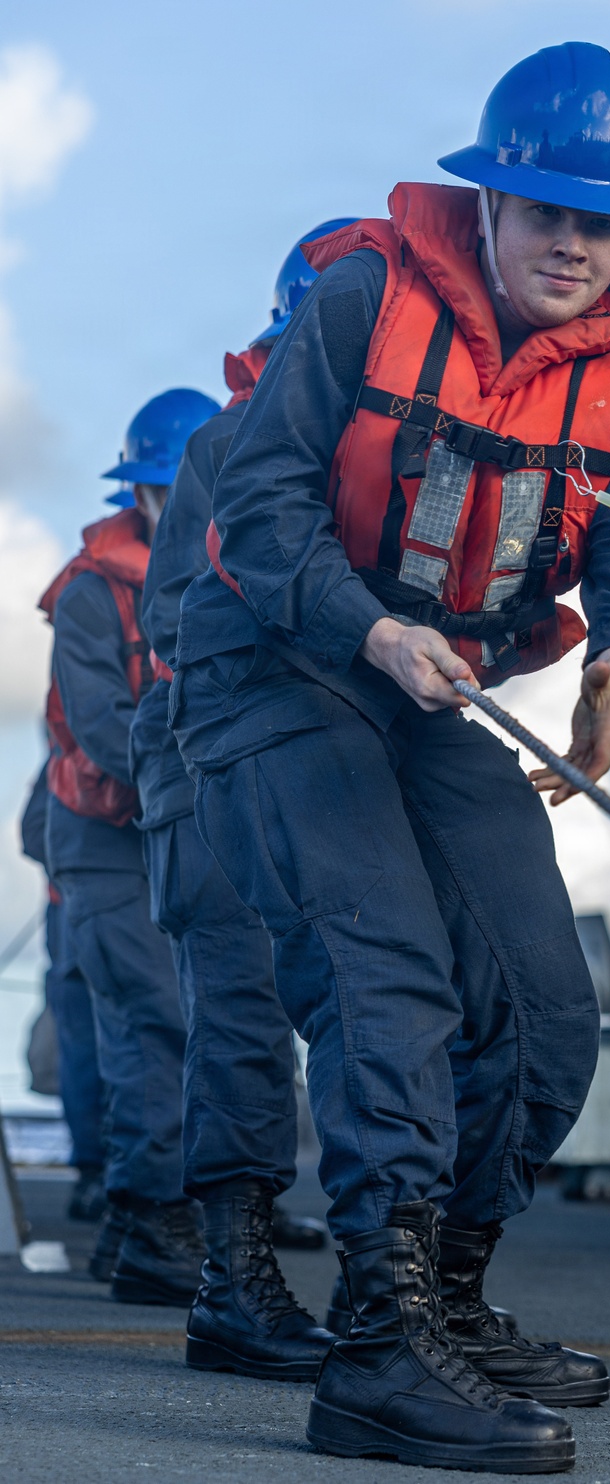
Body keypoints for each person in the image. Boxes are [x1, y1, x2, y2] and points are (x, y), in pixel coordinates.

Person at [172, 42, 610, 1473]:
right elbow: (262, 508)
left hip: (432, 688)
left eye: (605, 221)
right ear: (490, 202)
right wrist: (366, 628)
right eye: (550, 213)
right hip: (281, 670)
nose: (577, 245)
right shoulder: (358, 303)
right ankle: (376, 1354)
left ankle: (446, 1303)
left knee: (542, 1003)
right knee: (383, 973)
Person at [131, 221, 356, 1383]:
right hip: (213, 757)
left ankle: (392, 1282)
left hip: (315, 762)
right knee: (240, 1012)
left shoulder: (363, 452)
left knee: (352, 1006)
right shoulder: (231, 447)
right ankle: (232, 1282)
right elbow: (176, 625)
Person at [41, 388, 219, 1304]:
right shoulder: (88, 596)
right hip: (106, 836)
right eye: (171, 484)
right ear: (141, 492)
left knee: (214, 1017)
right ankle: (154, 1220)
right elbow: (104, 729)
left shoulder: (229, 571)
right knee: (149, 1018)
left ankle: (168, 1210)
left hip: (183, 823)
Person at [20, 763, 107, 1223]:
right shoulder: (65, 760)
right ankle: (92, 1172)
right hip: (74, 924)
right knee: (83, 1053)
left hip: (136, 925)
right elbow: (33, 833)